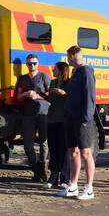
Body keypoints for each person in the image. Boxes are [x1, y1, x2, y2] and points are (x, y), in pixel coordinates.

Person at [61, 45, 96, 200]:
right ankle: (73, 186)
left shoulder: (86, 72)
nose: (67, 60)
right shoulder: (75, 72)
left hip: (82, 119)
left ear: (73, 56)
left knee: (86, 153)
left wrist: (86, 118)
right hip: (70, 118)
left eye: (68, 56)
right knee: (72, 151)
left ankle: (89, 188)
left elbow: (90, 97)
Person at [16, 53, 50, 182]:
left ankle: (43, 171)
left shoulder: (44, 76)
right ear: (26, 64)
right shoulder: (23, 78)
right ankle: (36, 170)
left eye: (34, 63)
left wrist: (37, 95)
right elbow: (18, 97)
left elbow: (49, 94)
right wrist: (26, 93)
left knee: (43, 143)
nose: (32, 66)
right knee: (27, 144)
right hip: (28, 114)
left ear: (38, 64)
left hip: (43, 112)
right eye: (29, 63)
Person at [44, 61, 71, 189]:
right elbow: (50, 100)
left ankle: (65, 178)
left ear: (61, 70)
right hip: (52, 119)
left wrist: (64, 93)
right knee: (53, 148)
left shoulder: (69, 83)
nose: (53, 70)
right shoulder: (53, 82)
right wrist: (40, 93)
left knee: (64, 150)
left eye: (55, 69)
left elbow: (73, 98)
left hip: (64, 120)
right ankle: (53, 178)